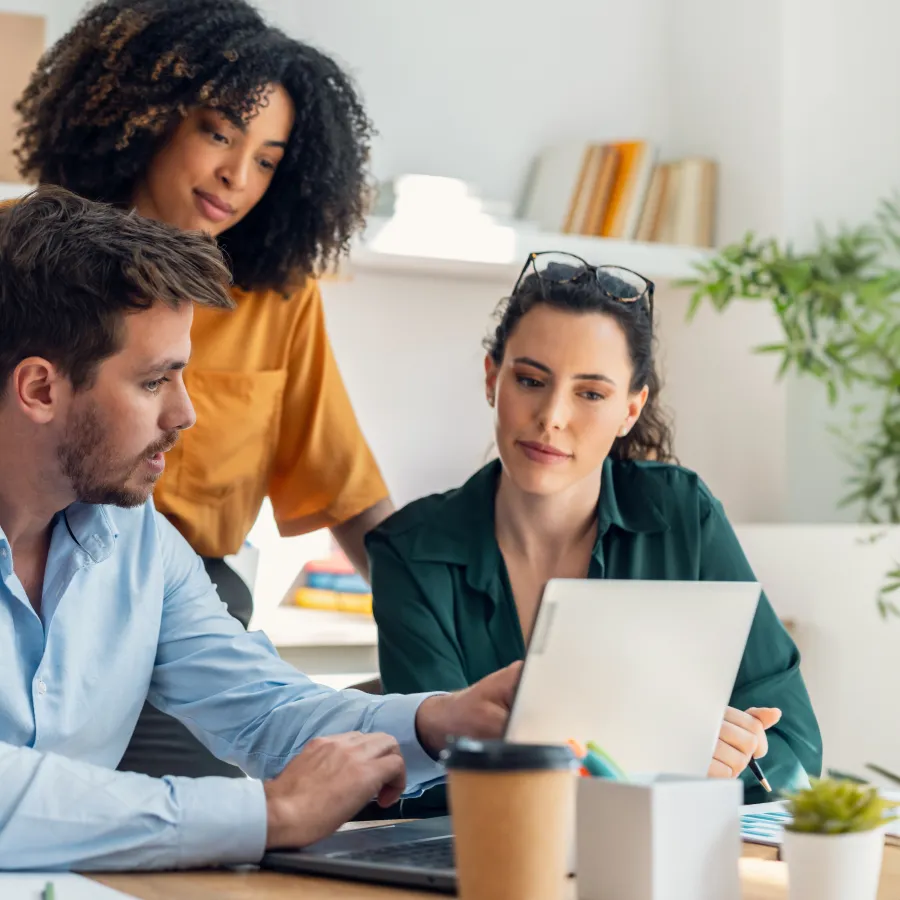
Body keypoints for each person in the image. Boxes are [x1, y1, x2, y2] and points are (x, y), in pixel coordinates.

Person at [0, 187, 520, 871]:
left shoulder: (138, 541)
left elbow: (259, 707)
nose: (185, 414)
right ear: (41, 389)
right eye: (155, 382)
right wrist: (268, 814)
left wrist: (438, 723)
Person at [15, 0, 397, 778]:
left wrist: (449, 628)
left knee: (192, 841)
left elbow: (348, 492)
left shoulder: (279, 301)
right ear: (144, 116)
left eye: (267, 158)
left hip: (189, 607)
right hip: (31, 577)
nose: (237, 175)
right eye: (220, 133)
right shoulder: (19, 260)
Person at [368, 252, 823, 808]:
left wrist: (731, 762)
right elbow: (431, 788)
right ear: (492, 379)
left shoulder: (684, 515)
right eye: (531, 380)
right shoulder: (410, 550)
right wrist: (658, 765)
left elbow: (795, 753)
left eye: (590, 393)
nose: (552, 416)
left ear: (631, 409)